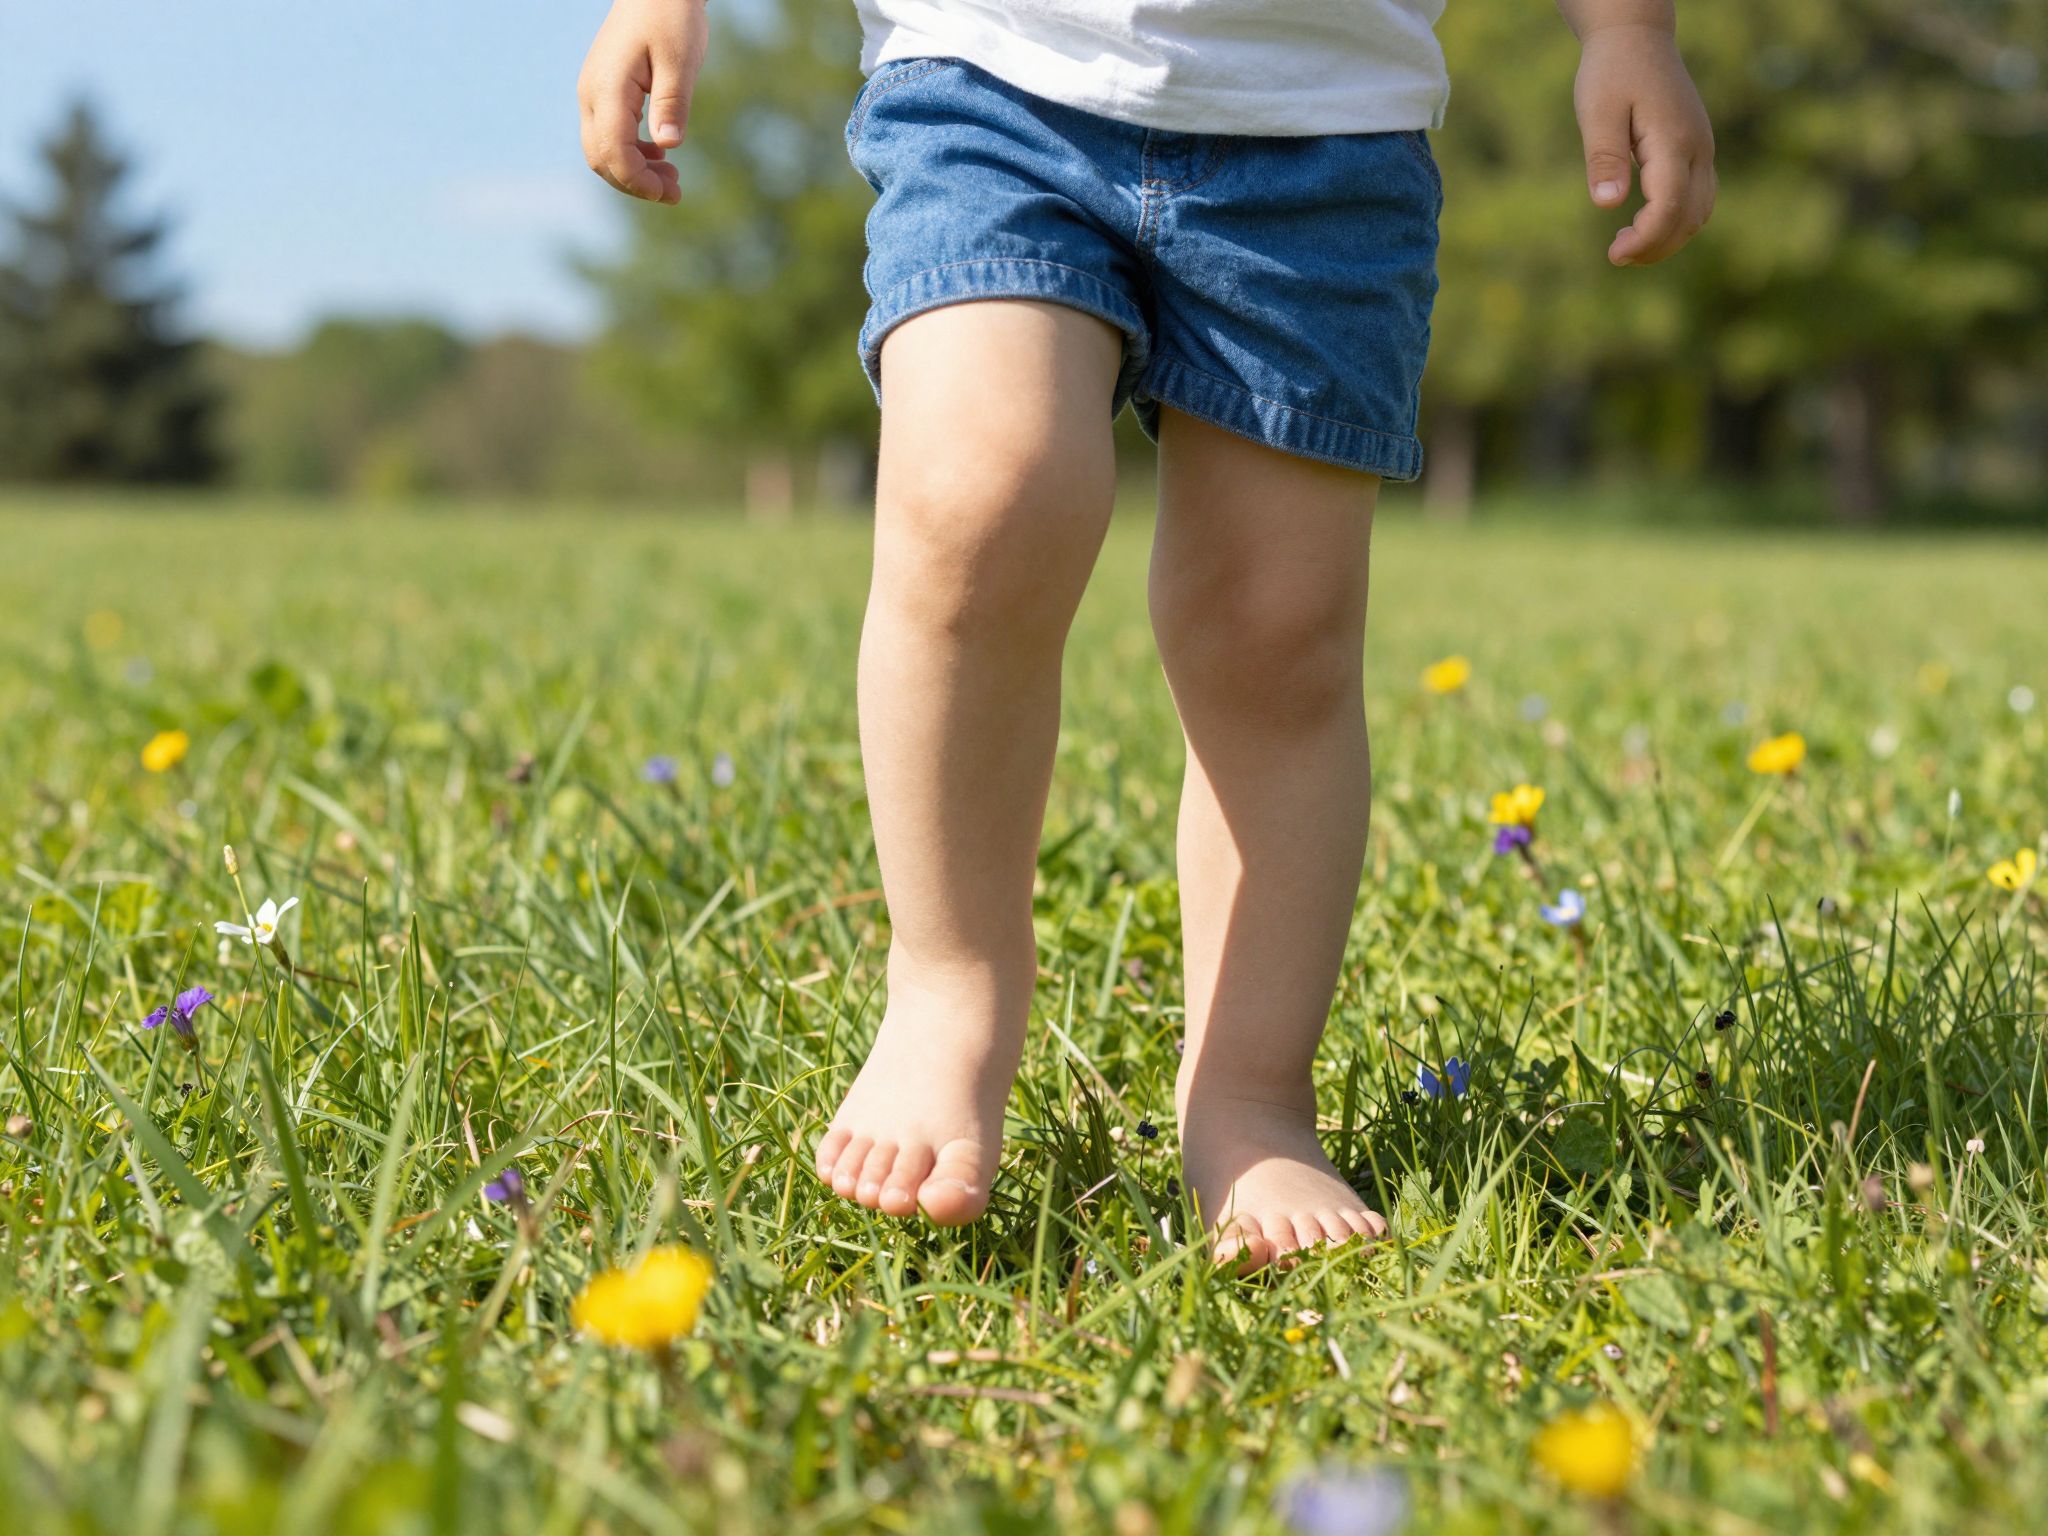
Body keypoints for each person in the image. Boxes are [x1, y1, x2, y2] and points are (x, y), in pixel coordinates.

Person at [578, 0, 1714, 1271]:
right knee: (980, 495)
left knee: (1274, 634)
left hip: (1325, 119)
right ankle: (947, 993)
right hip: (994, 76)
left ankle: (1249, 1094)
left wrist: (1628, 29)